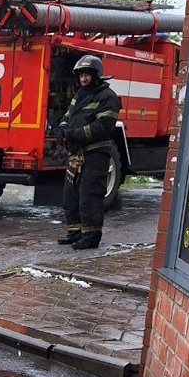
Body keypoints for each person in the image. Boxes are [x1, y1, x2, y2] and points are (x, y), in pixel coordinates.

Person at [55, 55, 121, 251]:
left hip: (95, 154)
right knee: (71, 195)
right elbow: (67, 117)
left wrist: (74, 134)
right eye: (81, 75)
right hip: (77, 155)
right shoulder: (80, 95)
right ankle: (74, 232)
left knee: (89, 195)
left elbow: (103, 126)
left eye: (87, 75)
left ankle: (91, 236)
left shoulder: (107, 96)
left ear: (96, 75)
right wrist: (61, 131)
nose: (83, 79)